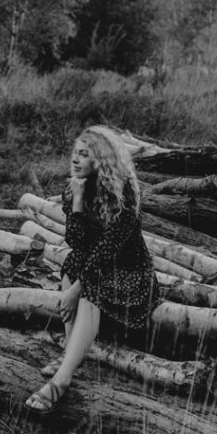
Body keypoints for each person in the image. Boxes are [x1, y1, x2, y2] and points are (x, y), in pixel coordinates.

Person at [25, 125, 160, 412]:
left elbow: (107, 251)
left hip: (130, 273)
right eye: (75, 152)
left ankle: (62, 379)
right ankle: (70, 352)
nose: (75, 159)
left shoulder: (125, 194)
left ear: (101, 160)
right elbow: (75, 241)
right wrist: (76, 200)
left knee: (89, 287)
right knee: (72, 263)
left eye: (83, 155)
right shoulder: (75, 187)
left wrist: (75, 290)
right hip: (95, 266)